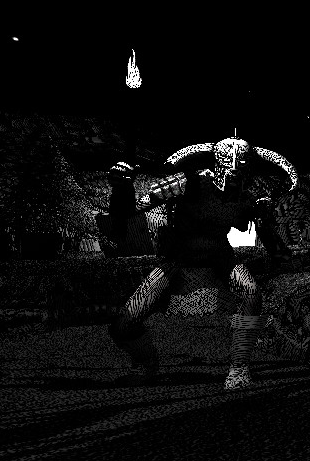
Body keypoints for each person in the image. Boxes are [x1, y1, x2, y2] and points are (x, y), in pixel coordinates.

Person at [105, 132, 298, 390]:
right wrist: (122, 188)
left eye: (242, 167)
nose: (235, 173)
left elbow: (271, 242)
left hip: (219, 256)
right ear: (218, 165)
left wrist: (268, 225)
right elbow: (130, 210)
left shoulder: (245, 199)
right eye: (230, 165)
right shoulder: (188, 183)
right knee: (123, 324)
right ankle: (146, 364)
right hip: (179, 257)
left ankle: (239, 366)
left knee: (251, 293)